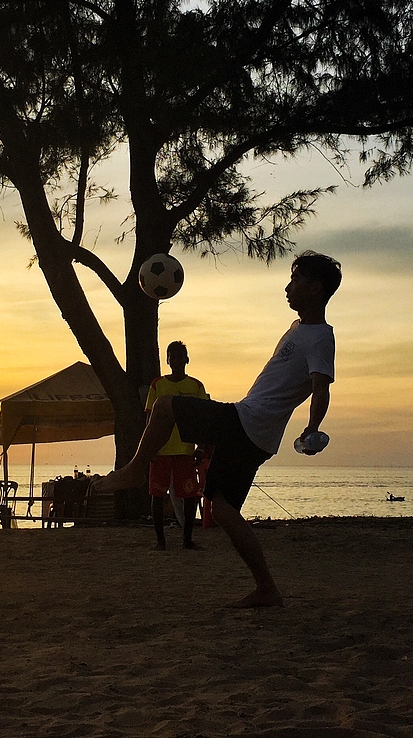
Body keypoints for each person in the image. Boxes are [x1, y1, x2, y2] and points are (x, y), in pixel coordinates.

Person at [99, 251, 340, 607]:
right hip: (255, 432)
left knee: (166, 406)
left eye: (296, 281)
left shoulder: (320, 337)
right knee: (222, 507)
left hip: (246, 422)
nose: (288, 288)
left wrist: (313, 427)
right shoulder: (299, 328)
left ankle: (136, 470)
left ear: (316, 288)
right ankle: (267, 589)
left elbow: (321, 387)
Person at [144, 341, 209, 550]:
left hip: (185, 450)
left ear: (187, 359)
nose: (177, 360)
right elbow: (149, 420)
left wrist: (200, 447)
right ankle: (160, 540)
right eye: (173, 356)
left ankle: (187, 539)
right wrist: (149, 448)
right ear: (167, 360)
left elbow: (202, 420)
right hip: (161, 450)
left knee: (189, 495)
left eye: (181, 356)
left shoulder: (196, 386)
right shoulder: (157, 385)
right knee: (157, 494)